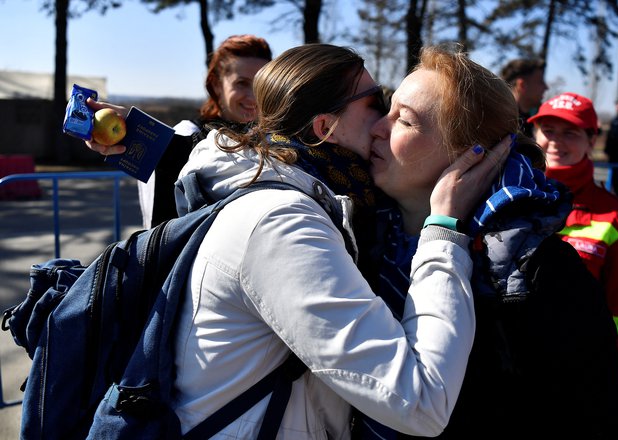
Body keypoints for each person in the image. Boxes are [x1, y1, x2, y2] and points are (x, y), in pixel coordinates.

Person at [170, 43, 511, 438]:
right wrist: (444, 229)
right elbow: (420, 401)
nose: (383, 123)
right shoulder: (281, 224)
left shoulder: (326, 206)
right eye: (375, 105)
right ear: (324, 128)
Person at [364, 46, 618, 439]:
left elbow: (597, 419)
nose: (377, 128)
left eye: (403, 121)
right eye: (385, 111)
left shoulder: (535, 269)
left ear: (469, 156)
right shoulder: (355, 235)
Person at [528, 92, 618, 414]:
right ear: (534, 134)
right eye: (548, 130)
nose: (555, 142)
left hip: (577, 382)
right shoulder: (501, 197)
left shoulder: (617, 219)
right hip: (505, 372)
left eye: (570, 132)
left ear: (592, 139)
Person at [87, 34, 272, 228]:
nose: (253, 96)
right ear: (217, 85)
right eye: (241, 83)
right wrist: (136, 132)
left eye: (260, 85)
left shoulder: (276, 139)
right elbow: (159, 224)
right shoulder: (186, 133)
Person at [500, 58, 548, 138]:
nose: (546, 87)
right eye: (541, 81)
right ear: (522, 85)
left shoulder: (529, 121)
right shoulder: (501, 123)